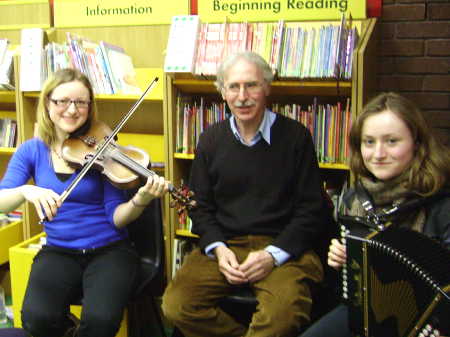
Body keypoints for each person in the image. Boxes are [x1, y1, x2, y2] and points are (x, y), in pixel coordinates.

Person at [162, 51, 330, 337]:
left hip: (283, 248)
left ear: (266, 88)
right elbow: (199, 207)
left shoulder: (296, 136)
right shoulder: (210, 140)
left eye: (251, 85)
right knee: (176, 305)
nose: (242, 96)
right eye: (234, 87)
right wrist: (218, 247)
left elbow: (311, 210)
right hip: (228, 245)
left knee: (283, 316)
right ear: (223, 92)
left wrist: (271, 255)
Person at [0, 68, 169, 337]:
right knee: (36, 319)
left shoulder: (102, 147)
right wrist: (25, 191)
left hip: (109, 250)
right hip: (59, 250)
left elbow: (116, 217)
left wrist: (141, 198)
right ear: (47, 103)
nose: (71, 109)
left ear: (89, 107)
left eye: (80, 102)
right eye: (62, 101)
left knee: (101, 323)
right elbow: (1, 203)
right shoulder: (31, 150)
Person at [299, 92, 450, 337]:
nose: (378, 154)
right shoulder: (353, 200)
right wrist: (343, 263)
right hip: (367, 312)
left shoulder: (440, 201)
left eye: (391, 141)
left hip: (431, 324)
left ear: (417, 143)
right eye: (369, 142)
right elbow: (348, 291)